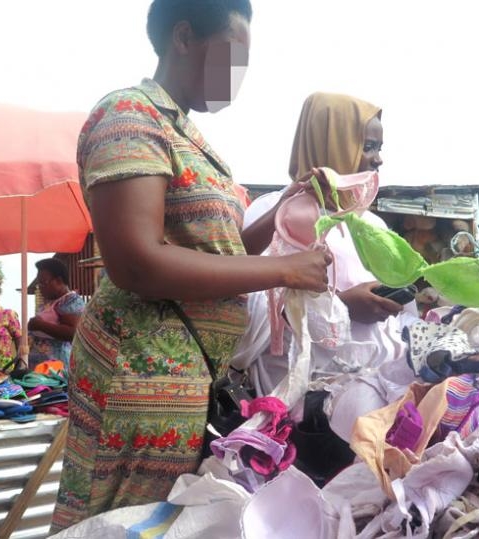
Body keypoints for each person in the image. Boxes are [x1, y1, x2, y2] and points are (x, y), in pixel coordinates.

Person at [51, 0, 331, 529]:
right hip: (139, 371)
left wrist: (284, 207)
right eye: (233, 56)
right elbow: (137, 262)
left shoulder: (191, 138)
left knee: (157, 522)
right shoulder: (130, 115)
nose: (239, 76)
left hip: (184, 377)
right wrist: (285, 272)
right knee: (118, 520)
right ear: (183, 37)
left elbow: (219, 260)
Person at [234, 91, 417, 395]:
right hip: (302, 398)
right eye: (368, 146)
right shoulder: (275, 213)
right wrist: (343, 306)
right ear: (333, 143)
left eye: (379, 147)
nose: (378, 158)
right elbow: (250, 310)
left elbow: (406, 317)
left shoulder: (371, 224)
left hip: (375, 393)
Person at [27, 258, 85, 369]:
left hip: (55, 370)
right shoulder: (51, 301)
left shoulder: (70, 300)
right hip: (40, 369)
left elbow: (72, 333)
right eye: (39, 284)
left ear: (58, 281)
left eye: (43, 283)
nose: (40, 288)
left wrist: (39, 325)